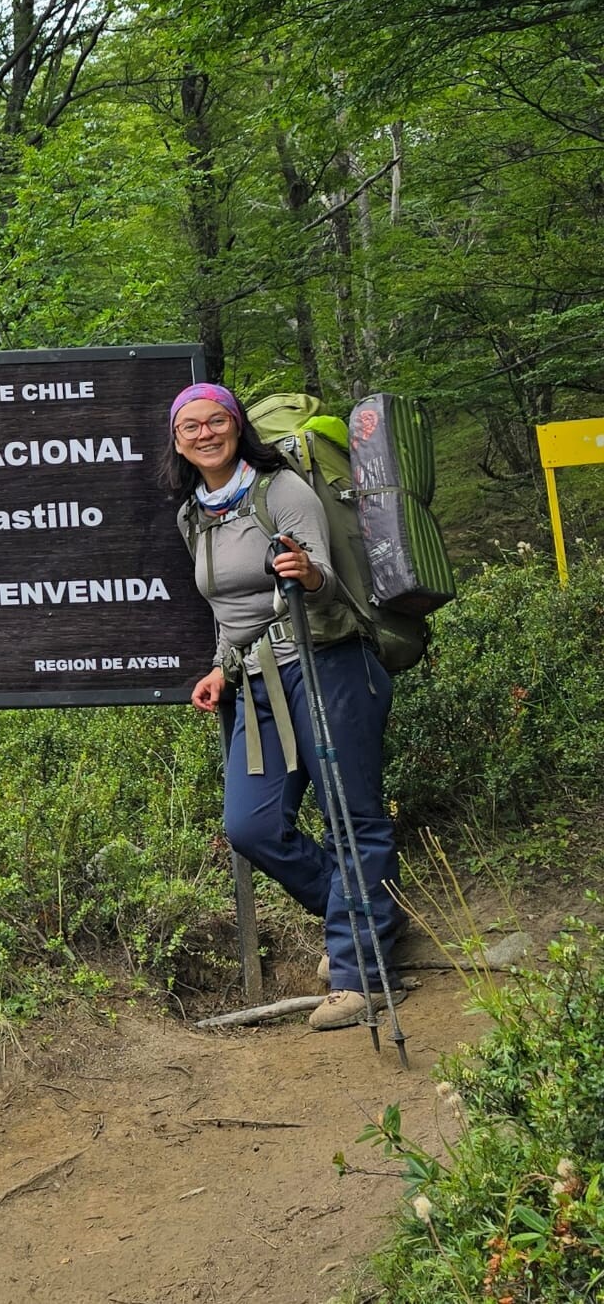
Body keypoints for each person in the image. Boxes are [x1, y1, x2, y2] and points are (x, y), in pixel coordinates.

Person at [164, 384, 401, 1031]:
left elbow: (324, 581)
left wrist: (308, 574)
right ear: (177, 442)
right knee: (252, 825)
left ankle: (359, 974)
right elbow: (227, 612)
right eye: (191, 426)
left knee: (351, 816)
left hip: (327, 663)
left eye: (217, 420)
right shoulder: (194, 515)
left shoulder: (284, 491)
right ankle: (365, 917)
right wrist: (220, 667)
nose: (206, 433)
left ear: (237, 426)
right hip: (256, 681)